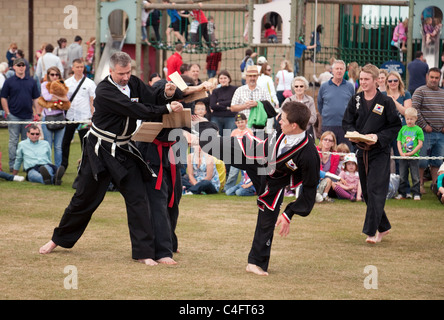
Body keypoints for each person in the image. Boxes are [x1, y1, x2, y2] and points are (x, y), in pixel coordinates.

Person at [38, 51, 184, 266]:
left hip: (124, 150)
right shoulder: (104, 90)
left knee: (138, 198)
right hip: (99, 150)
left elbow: (151, 97)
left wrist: (167, 94)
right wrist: (167, 108)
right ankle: (57, 239)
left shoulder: (133, 82)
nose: (126, 77)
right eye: (121, 73)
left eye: (128, 72)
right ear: (111, 71)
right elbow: (133, 109)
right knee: (84, 199)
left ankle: (144, 252)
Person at [196, 101, 320, 275]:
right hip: (253, 156)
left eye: (283, 120)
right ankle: (202, 123)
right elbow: (273, 112)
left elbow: (309, 188)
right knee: (209, 143)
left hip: (274, 180)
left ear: (294, 125)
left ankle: (255, 263)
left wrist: (289, 214)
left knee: (267, 218)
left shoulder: (309, 154)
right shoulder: (285, 123)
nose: (279, 122)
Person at [343, 63, 401, 244]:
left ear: (376, 81)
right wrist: (353, 134)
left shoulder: (386, 102)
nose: (363, 82)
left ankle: (371, 232)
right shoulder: (356, 99)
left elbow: (395, 126)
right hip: (361, 151)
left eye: (367, 79)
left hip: (380, 152)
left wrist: (377, 136)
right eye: (361, 79)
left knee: (376, 189)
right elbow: (347, 122)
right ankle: (384, 227)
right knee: (368, 193)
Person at [1, 58, 40, 171]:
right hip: (13, 115)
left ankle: (25, 165)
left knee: (26, 141)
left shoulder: (31, 81)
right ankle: (13, 165)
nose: (21, 67)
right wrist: (7, 112)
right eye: (19, 65)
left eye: (23, 65)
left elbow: (36, 98)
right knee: (13, 141)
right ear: (14, 67)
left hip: (28, 116)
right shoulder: (9, 81)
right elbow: (3, 97)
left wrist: (37, 113)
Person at [411, 67, 444, 193]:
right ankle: (419, 185)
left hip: (440, 133)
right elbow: (415, 110)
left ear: (440, 78)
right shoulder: (420, 91)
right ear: (427, 77)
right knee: (422, 161)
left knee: (437, 161)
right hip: (424, 133)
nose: (434, 80)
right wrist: (424, 125)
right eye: (432, 77)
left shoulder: (442, 93)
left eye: (437, 78)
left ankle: (436, 186)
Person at [61, 59, 96, 170]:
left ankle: (84, 166)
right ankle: (63, 165)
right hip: (70, 117)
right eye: (77, 67)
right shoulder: (67, 83)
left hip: (84, 118)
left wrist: (92, 116)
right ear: (73, 68)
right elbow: (64, 99)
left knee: (84, 143)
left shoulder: (90, 83)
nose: (80, 69)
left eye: (81, 67)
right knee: (65, 142)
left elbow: (92, 101)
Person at [318, 59, 355, 149]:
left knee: (344, 152)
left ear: (345, 71)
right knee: (327, 152)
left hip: (345, 125)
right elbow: (320, 105)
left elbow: (353, 105)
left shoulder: (350, 86)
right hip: (328, 125)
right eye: (337, 68)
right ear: (332, 70)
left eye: (341, 69)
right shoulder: (324, 86)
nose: (339, 71)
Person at [383, 71, 412, 175]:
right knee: (384, 159)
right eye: (390, 81)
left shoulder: (405, 94)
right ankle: (385, 187)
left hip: (401, 131)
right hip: (386, 131)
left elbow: (407, 113)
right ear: (387, 82)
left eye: (395, 80)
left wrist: (393, 101)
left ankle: (404, 189)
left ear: (399, 81)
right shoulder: (382, 95)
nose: (393, 83)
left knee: (401, 160)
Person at [39, 67, 68, 168]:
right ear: (48, 75)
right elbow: (47, 97)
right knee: (48, 145)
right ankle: (48, 167)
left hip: (60, 117)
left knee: (58, 147)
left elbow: (66, 99)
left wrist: (55, 95)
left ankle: (58, 169)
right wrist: (59, 96)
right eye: (52, 74)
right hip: (48, 117)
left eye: (57, 75)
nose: (55, 77)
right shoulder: (44, 85)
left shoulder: (62, 84)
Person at [230, 65, 272, 134]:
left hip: (259, 127)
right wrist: (245, 106)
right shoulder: (239, 90)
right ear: (246, 77)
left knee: (259, 144)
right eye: (250, 76)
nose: (252, 78)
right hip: (243, 128)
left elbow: (269, 107)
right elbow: (233, 108)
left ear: (257, 77)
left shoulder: (263, 90)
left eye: (254, 76)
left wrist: (258, 104)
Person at [395, 107, 424, 200]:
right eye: (407, 119)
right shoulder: (402, 129)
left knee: (415, 176)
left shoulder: (418, 130)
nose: (409, 121)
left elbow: (420, 144)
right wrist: (401, 152)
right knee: (402, 176)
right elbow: (399, 141)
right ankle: (402, 193)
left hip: (414, 157)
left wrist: (411, 153)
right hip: (403, 157)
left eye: (411, 119)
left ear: (416, 119)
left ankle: (416, 193)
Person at [316, 131, 340, 202]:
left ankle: (324, 197)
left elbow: (332, 172)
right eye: (325, 139)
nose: (327, 142)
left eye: (330, 140)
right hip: (315, 177)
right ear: (321, 140)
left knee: (329, 180)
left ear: (333, 143)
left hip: (327, 179)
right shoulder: (315, 151)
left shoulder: (336, 155)